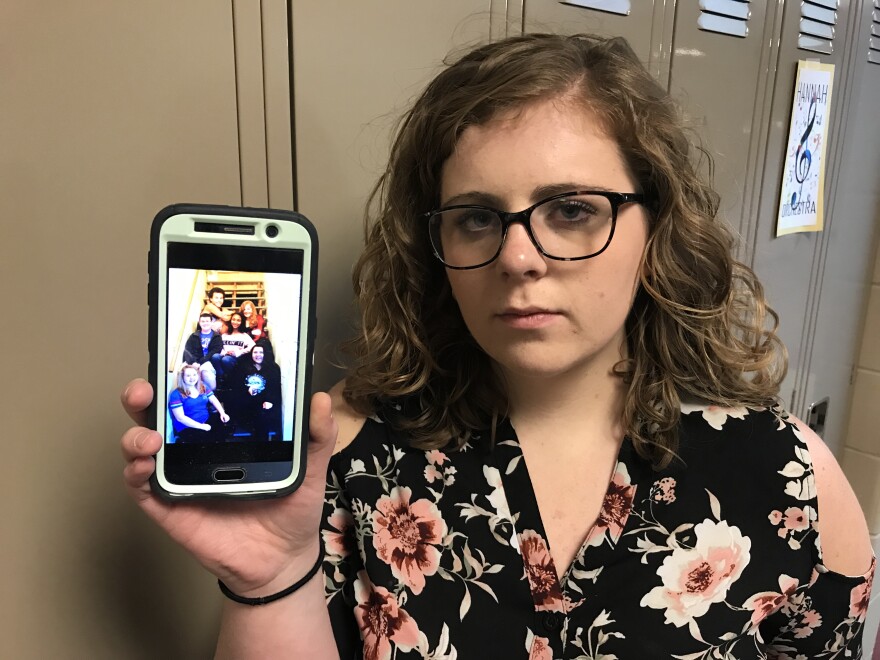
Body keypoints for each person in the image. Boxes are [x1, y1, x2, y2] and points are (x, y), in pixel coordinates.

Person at [120, 33, 874, 658]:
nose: (518, 257)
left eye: (573, 209)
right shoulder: (346, 463)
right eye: (478, 218)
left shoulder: (788, 479)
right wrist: (268, 580)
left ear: (657, 226)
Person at [229, 341, 281, 439]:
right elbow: (236, 386)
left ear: (265, 354)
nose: (258, 355)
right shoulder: (243, 367)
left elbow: (275, 388)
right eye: (255, 352)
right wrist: (247, 390)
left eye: (261, 352)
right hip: (247, 402)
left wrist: (269, 401)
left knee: (263, 417)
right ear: (251, 354)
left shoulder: (273, 368)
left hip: (264, 402)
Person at [168, 363, 230, 443]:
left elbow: (213, 399)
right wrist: (201, 426)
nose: (192, 378)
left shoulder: (202, 386)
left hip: (205, 420)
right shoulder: (176, 394)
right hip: (187, 427)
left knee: (222, 433)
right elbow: (180, 418)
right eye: (188, 375)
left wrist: (222, 413)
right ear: (182, 377)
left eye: (194, 375)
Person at [182, 311, 222, 391]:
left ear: (211, 322)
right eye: (203, 321)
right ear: (199, 323)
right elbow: (187, 350)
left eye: (207, 321)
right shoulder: (194, 336)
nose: (205, 323)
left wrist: (201, 362)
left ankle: (210, 394)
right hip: (194, 362)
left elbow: (216, 350)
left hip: (207, 361)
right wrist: (193, 362)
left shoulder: (217, 336)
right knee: (183, 370)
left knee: (208, 377)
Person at [212, 311, 255, 384]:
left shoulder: (244, 335)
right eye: (233, 319)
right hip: (224, 355)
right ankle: (221, 378)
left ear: (241, 322)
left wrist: (238, 352)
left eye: (238, 320)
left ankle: (229, 379)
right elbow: (219, 347)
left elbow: (253, 346)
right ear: (231, 320)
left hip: (235, 358)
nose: (235, 322)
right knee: (215, 356)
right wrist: (225, 352)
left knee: (226, 360)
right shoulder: (225, 335)